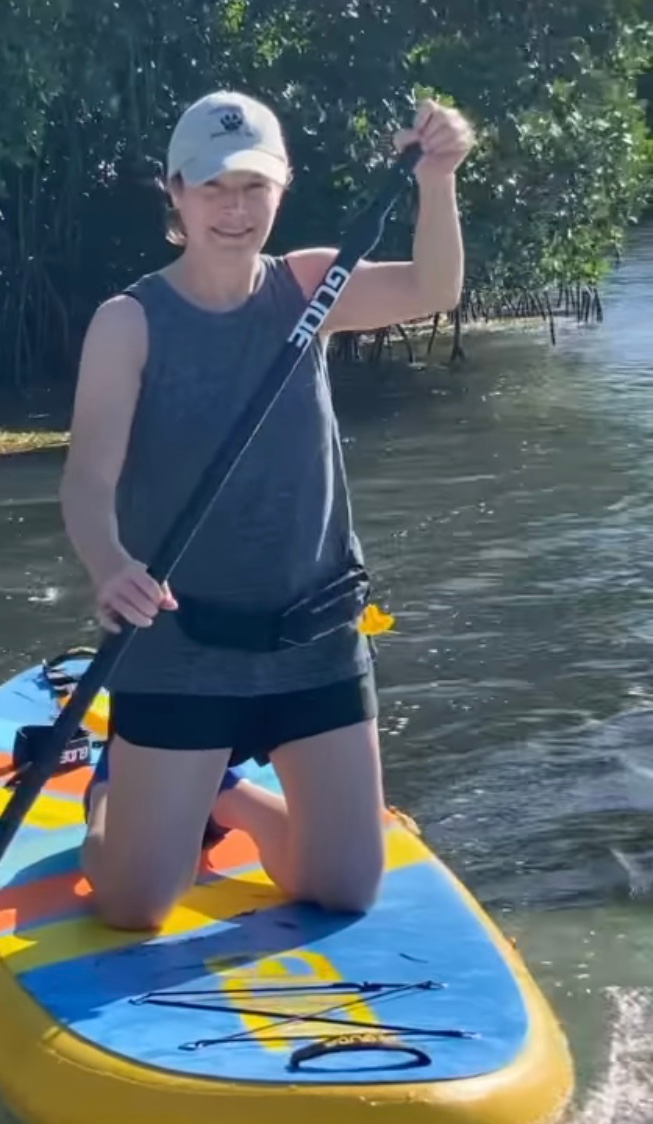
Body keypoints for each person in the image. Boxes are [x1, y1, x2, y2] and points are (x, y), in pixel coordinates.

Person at [60, 89, 474, 932]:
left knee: (346, 887)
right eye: (212, 187)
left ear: (281, 189)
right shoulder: (127, 323)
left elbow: (434, 286)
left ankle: (226, 793)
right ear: (174, 192)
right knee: (134, 905)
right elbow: (86, 481)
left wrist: (437, 177)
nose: (234, 208)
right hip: (180, 641)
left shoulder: (309, 287)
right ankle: (115, 789)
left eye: (253, 186)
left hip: (313, 636)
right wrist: (109, 565)